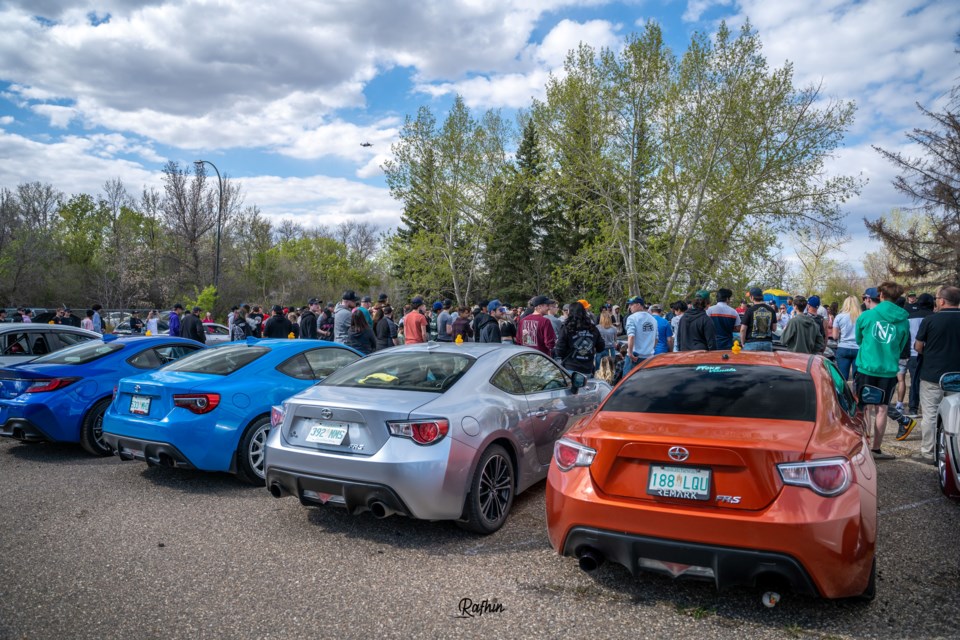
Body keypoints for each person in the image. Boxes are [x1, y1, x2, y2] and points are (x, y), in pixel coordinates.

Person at [855, 282, 909, 461]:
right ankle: (876, 449)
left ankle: (864, 446)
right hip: (888, 370)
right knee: (882, 409)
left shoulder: (867, 316)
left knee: (864, 408)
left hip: (867, 367)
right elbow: (901, 346)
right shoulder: (903, 320)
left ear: (881, 296)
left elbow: (859, 339)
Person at [914, 286, 960, 464]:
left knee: (930, 415)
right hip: (957, 375)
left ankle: (928, 452)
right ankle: (953, 450)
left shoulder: (930, 320)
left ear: (941, 301)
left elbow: (918, 346)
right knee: (956, 414)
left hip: (932, 374)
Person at [905, 293, 935, 416]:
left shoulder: (909, 318)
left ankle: (913, 407)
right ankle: (929, 407)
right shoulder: (935, 317)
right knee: (932, 383)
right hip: (932, 354)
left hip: (913, 353)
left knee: (915, 381)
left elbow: (906, 336)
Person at [555, 302, 605, 375]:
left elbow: (559, 351)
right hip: (588, 368)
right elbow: (601, 347)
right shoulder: (593, 328)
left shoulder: (566, 328)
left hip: (571, 367)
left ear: (570, 312)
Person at [624, 296, 656, 372]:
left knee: (628, 382)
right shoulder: (653, 319)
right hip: (649, 357)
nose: (629, 307)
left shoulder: (632, 318)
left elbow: (631, 336)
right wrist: (649, 349)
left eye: (631, 305)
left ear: (638, 305)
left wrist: (630, 353)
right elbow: (656, 338)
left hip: (635, 356)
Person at [832, 296, 861, 381]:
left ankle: (843, 394)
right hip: (858, 348)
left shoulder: (839, 317)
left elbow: (835, 336)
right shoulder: (862, 316)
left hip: (843, 347)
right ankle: (856, 393)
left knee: (843, 377)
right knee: (858, 378)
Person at [740, 287, 777, 351]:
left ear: (752, 297)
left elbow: (743, 329)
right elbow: (774, 328)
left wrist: (743, 343)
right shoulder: (771, 310)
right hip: (767, 343)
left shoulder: (749, 310)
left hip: (751, 343)